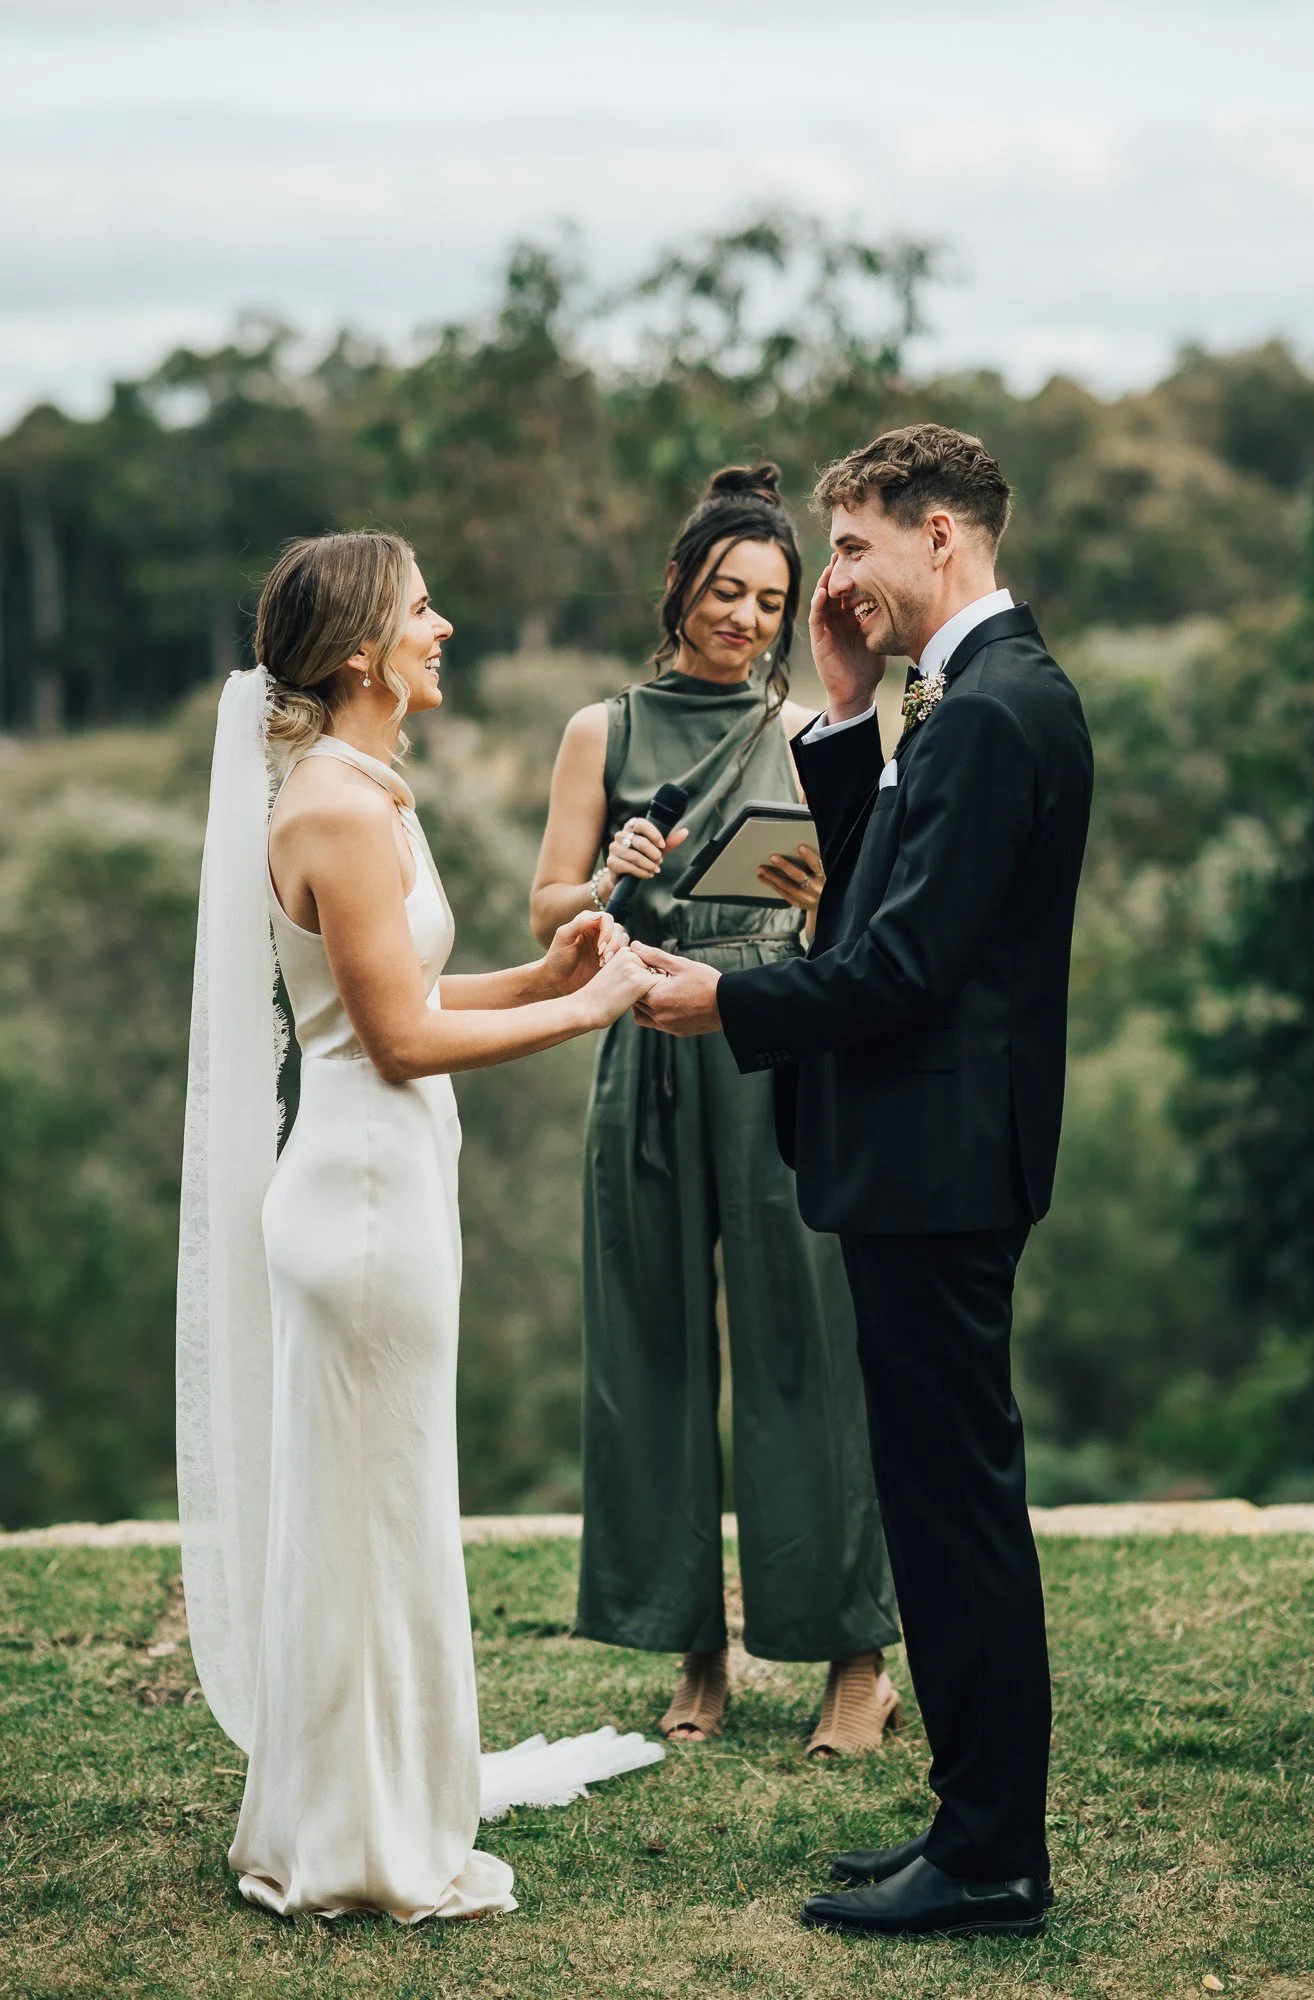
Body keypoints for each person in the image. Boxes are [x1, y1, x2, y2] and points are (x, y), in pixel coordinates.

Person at [633, 424, 1094, 1939]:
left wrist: (725, 1006)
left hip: (938, 1165)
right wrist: (841, 720)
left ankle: (991, 1860)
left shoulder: (991, 713)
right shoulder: (956, 704)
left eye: (851, 547)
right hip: (930, 1162)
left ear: (939, 536)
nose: (831, 577)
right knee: (937, 1493)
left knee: (953, 1505)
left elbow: (893, 965)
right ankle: (970, 1822)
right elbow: (875, 889)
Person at [176, 531, 664, 1923]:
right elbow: (391, 1039)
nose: (442, 627)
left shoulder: (368, 795)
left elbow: (407, 991)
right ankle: (356, 1836)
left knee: (385, 1509)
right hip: (362, 1197)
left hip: (389, 1181)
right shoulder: (331, 806)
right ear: (356, 655)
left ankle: (372, 1799)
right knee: (369, 1515)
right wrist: (587, 1012)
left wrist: (547, 963)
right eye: (420, 611)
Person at [530, 464, 899, 1754]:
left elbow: (850, 913)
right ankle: (696, 1650)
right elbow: (545, 916)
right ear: (680, 584)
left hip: (767, 1042)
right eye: (726, 590)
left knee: (806, 1342)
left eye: (771, 599)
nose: (744, 617)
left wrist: (798, 903)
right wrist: (609, 875)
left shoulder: (810, 733)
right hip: (644, 1044)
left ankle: (857, 1656)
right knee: (653, 1342)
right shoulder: (602, 729)